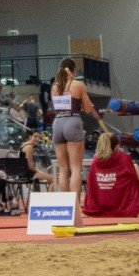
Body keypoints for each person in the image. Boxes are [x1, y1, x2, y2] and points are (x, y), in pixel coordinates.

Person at [49, 57, 102, 197]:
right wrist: (88, 105)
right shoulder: (78, 84)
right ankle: (75, 204)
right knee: (76, 168)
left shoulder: (55, 86)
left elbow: (59, 106)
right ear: (73, 70)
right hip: (72, 121)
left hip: (58, 122)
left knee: (63, 169)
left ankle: (65, 204)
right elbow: (87, 108)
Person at [82, 131, 139, 219]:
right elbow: (133, 183)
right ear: (117, 146)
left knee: (135, 168)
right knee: (136, 167)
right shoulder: (124, 158)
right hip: (121, 204)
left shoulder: (96, 160)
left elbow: (91, 185)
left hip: (101, 201)